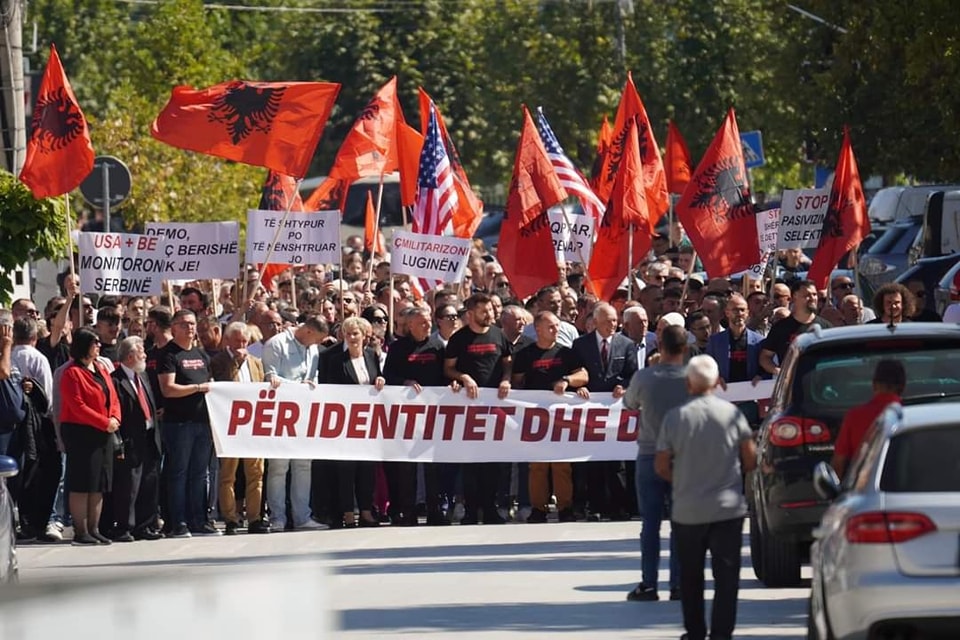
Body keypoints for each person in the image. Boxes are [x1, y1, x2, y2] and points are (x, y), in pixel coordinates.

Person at [655, 355, 757, 640]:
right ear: (715, 381)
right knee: (727, 578)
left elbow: (661, 465)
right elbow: (750, 459)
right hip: (727, 509)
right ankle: (722, 634)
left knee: (691, 576)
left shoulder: (675, 417)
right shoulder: (733, 414)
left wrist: (683, 481)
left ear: (689, 383)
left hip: (688, 510)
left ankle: (695, 632)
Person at [623, 325, 689, 601]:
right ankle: (679, 584)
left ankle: (649, 583)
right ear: (685, 349)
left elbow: (629, 404)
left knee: (650, 523)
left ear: (659, 345)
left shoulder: (644, 377)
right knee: (681, 523)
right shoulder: (692, 378)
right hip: (683, 456)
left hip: (650, 453)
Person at [511, 311, 588, 523]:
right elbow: (517, 381)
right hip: (535, 417)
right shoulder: (526, 355)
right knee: (537, 466)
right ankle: (539, 508)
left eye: (557, 326)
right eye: (551, 327)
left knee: (562, 464)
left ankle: (565, 507)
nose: (557, 330)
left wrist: (567, 380)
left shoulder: (566, 352)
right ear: (538, 330)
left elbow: (583, 375)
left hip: (561, 417)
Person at [444, 292, 513, 525]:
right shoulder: (459, 339)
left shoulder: (498, 335)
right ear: (471, 313)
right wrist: (463, 377)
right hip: (468, 408)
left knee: (493, 462)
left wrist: (506, 379)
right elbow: (448, 368)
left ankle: (490, 508)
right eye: (485, 311)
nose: (490, 315)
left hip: (494, 408)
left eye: (492, 311)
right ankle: (472, 511)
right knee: (471, 462)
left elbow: (508, 365)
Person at [382, 306, 454, 526]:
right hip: (406, 415)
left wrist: (450, 384)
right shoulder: (398, 348)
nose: (427, 326)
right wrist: (405, 382)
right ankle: (408, 513)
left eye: (428, 322)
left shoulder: (436, 346)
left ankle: (435, 511)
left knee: (433, 466)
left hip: (432, 413)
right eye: (422, 323)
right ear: (410, 325)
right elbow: (388, 375)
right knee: (407, 467)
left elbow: (445, 373)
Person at [571, 303, 638, 521]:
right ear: (596, 321)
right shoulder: (580, 345)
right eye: (609, 320)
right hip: (590, 411)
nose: (613, 324)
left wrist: (624, 386)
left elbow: (632, 374)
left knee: (616, 461)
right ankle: (596, 505)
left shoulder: (626, 344)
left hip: (616, 411)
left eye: (615, 320)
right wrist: (578, 387)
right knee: (594, 461)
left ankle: (619, 506)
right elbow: (575, 372)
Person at [262, 316, 329, 531]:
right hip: (279, 414)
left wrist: (311, 385)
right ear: (308, 331)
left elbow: (314, 376)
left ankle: (302, 517)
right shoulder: (276, 344)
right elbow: (270, 378)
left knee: (303, 465)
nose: (316, 344)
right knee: (279, 466)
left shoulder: (313, 350)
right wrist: (299, 386)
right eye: (316, 339)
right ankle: (277, 517)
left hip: (304, 414)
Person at [318, 316, 385, 528]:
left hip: (368, 422)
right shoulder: (336, 359)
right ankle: (347, 511)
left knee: (367, 467)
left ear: (365, 336)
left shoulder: (371, 355)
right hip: (344, 423)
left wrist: (380, 380)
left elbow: (378, 378)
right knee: (346, 468)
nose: (352, 338)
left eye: (356, 333)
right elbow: (328, 387)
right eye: (348, 334)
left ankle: (366, 510)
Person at [158, 309, 219, 538]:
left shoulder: (202, 355)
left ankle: (199, 520)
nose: (190, 328)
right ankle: (178, 522)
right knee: (179, 473)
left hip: (202, 422)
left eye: (192, 324)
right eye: (184, 324)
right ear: (173, 328)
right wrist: (198, 388)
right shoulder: (169, 355)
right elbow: (168, 389)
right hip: (179, 424)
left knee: (200, 474)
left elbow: (211, 384)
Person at [59, 328, 122, 545]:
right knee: (82, 482)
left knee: (99, 482)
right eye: (94, 342)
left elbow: (112, 396)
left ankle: (94, 528)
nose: (99, 346)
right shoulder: (72, 372)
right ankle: (81, 530)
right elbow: (78, 406)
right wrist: (105, 422)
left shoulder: (101, 369)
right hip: (80, 432)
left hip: (104, 431)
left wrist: (115, 418)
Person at [211, 322, 273, 535]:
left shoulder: (256, 362)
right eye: (237, 341)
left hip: (253, 424)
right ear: (227, 340)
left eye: (245, 341)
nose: (241, 345)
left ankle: (255, 518)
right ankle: (230, 518)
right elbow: (221, 385)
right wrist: (235, 363)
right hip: (230, 425)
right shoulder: (219, 361)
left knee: (256, 472)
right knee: (228, 474)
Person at [109, 336, 163, 542]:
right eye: (142, 353)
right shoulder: (116, 380)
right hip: (130, 440)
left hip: (149, 436)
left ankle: (145, 524)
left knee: (149, 482)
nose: (146, 355)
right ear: (130, 356)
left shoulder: (144, 376)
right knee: (128, 486)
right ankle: (124, 526)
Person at [831, 359, 906, 479]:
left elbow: (838, 465)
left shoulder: (854, 417)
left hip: (864, 488)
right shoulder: (910, 416)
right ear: (902, 387)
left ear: (874, 385)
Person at [706, 294, 765, 425]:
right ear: (727, 313)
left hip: (749, 401)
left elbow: (765, 369)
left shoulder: (759, 341)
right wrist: (715, 377)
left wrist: (760, 376)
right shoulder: (715, 341)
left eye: (742, 310)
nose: (739, 314)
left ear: (748, 312)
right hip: (723, 398)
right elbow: (708, 367)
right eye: (735, 310)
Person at [759, 280, 831, 378]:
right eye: (807, 295)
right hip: (791, 386)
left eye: (814, 295)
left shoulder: (826, 327)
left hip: (819, 384)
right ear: (794, 298)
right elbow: (765, 357)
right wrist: (777, 371)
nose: (812, 298)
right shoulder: (781, 328)